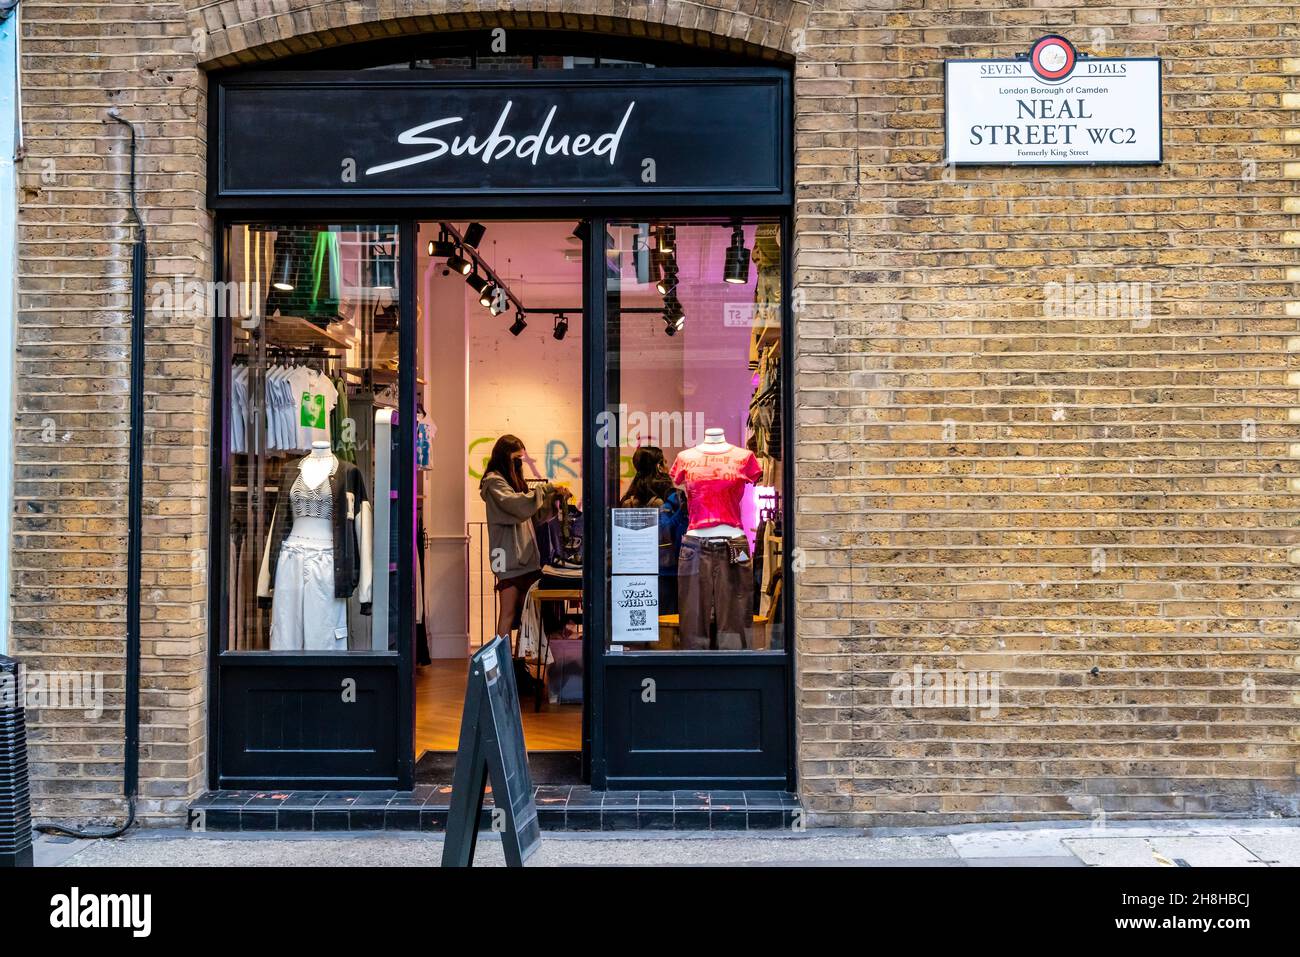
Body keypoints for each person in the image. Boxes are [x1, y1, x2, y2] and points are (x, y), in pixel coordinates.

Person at [479, 435, 569, 647]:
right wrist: (546, 489)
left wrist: (553, 499)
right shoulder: (494, 482)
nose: (519, 463)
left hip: (526, 559)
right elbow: (518, 507)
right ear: (504, 457)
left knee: (527, 617)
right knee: (508, 613)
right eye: (516, 459)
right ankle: (502, 664)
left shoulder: (512, 482)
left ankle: (519, 665)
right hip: (509, 560)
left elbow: (533, 515)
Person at [619, 446, 688, 615]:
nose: (667, 465)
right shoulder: (670, 496)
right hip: (667, 569)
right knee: (668, 621)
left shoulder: (629, 499)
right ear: (658, 467)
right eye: (664, 462)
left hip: (634, 570)